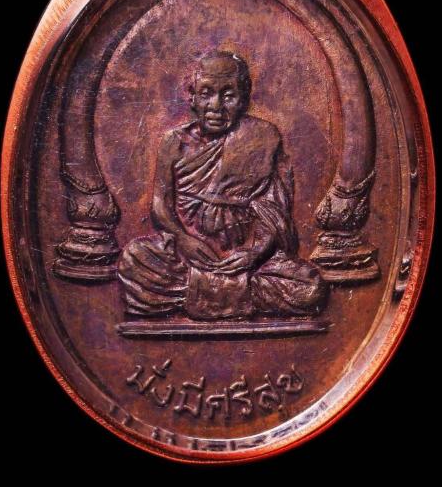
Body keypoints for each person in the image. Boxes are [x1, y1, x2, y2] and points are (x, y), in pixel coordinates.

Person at [118, 50, 327, 320]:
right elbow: (160, 205)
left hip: (246, 262)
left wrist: (254, 253)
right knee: (135, 259)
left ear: (244, 99)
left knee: (310, 288)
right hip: (190, 257)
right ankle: (239, 294)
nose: (215, 106)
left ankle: (202, 292)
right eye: (206, 94)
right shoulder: (174, 142)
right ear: (192, 97)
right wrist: (183, 239)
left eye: (228, 96)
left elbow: (274, 211)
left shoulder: (263, 137)